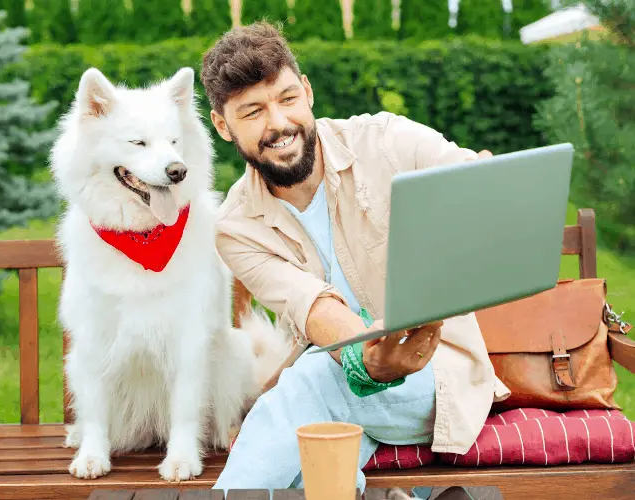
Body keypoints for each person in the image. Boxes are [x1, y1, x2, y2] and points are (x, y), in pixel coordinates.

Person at [199, 21, 510, 492]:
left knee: (312, 385)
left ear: (307, 91)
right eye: (253, 112)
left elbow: (471, 182)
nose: (278, 124)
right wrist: (365, 357)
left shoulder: (385, 141)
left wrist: (484, 183)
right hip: (347, 378)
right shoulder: (236, 228)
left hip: (437, 369)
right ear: (223, 125)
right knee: (315, 459)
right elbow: (312, 306)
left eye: (287, 99)